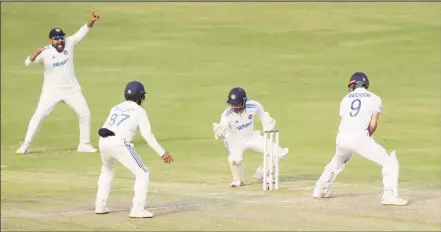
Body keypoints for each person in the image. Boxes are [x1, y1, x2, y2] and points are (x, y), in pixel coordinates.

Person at [312, 72, 408, 206]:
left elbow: (346, 119)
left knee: (337, 162)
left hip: (342, 137)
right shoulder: (374, 98)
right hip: (360, 137)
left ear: (354, 84)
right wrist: (365, 140)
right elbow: (373, 124)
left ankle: (320, 189)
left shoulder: (345, 99)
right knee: (389, 162)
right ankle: (389, 195)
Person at [16, 11, 100, 155]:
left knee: (85, 113)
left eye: (61, 37)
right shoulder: (45, 52)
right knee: (39, 115)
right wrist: (35, 55)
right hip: (51, 91)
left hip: (71, 89)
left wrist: (92, 21)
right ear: (51, 40)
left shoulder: (69, 43)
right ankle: (25, 145)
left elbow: (81, 32)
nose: (60, 40)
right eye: (56, 38)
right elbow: (27, 63)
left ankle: (84, 144)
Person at [94, 80, 174, 218]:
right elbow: (147, 135)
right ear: (141, 96)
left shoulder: (116, 107)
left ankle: (100, 205)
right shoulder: (139, 111)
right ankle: (138, 209)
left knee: (107, 170)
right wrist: (162, 153)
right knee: (143, 173)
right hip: (119, 143)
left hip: (103, 141)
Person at [212, 87, 289, 187]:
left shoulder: (254, 105)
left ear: (244, 101)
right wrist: (220, 133)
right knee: (235, 159)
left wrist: (267, 125)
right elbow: (223, 126)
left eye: (237, 103)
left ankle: (262, 174)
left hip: (251, 137)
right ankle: (237, 179)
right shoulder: (227, 114)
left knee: (279, 153)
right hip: (235, 140)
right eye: (232, 103)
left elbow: (263, 115)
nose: (234, 106)